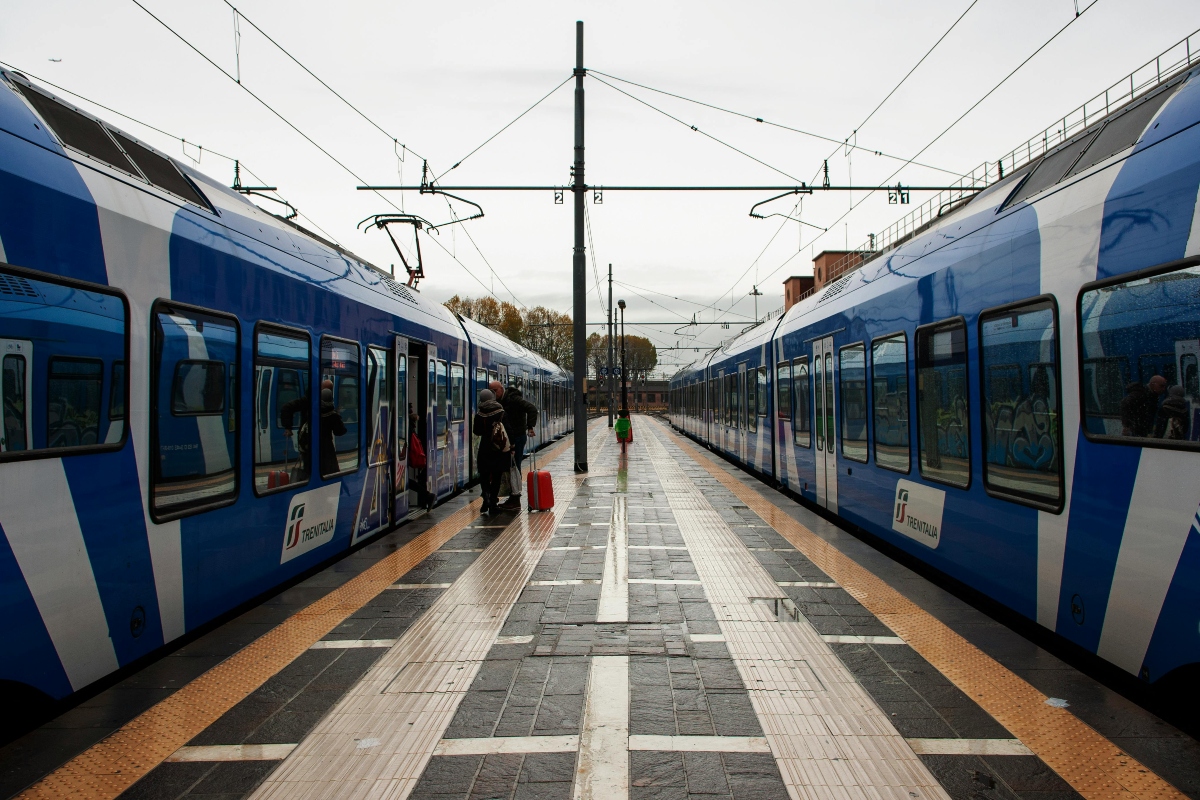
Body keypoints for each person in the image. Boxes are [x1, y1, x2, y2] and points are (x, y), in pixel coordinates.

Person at [491, 380, 538, 511]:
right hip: (510, 438)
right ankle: (512, 496)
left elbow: (532, 409)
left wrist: (530, 427)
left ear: (501, 389)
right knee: (510, 467)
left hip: (517, 437)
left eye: (495, 391)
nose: (493, 394)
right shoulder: (500, 401)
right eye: (491, 391)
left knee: (514, 467)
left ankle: (515, 498)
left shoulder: (513, 399)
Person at [473, 388, 511, 515]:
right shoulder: (501, 412)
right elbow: (508, 431)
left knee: (484, 475)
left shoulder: (479, 414)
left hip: (485, 448)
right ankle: (493, 504)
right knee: (496, 476)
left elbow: (476, 431)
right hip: (499, 449)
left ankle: (486, 498)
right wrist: (513, 447)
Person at [318, 385, 347, 477]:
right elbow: (340, 431)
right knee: (330, 472)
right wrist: (338, 415)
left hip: (313, 447)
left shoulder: (314, 411)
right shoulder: (332, 415)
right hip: (327, 447)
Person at [408, 413, 430, 509]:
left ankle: (428, 496)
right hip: (408, 457)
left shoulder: (407, 427)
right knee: (406, 482)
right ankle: (427, 496)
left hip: (407, 457)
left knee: (406, 482)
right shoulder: (411, 426)